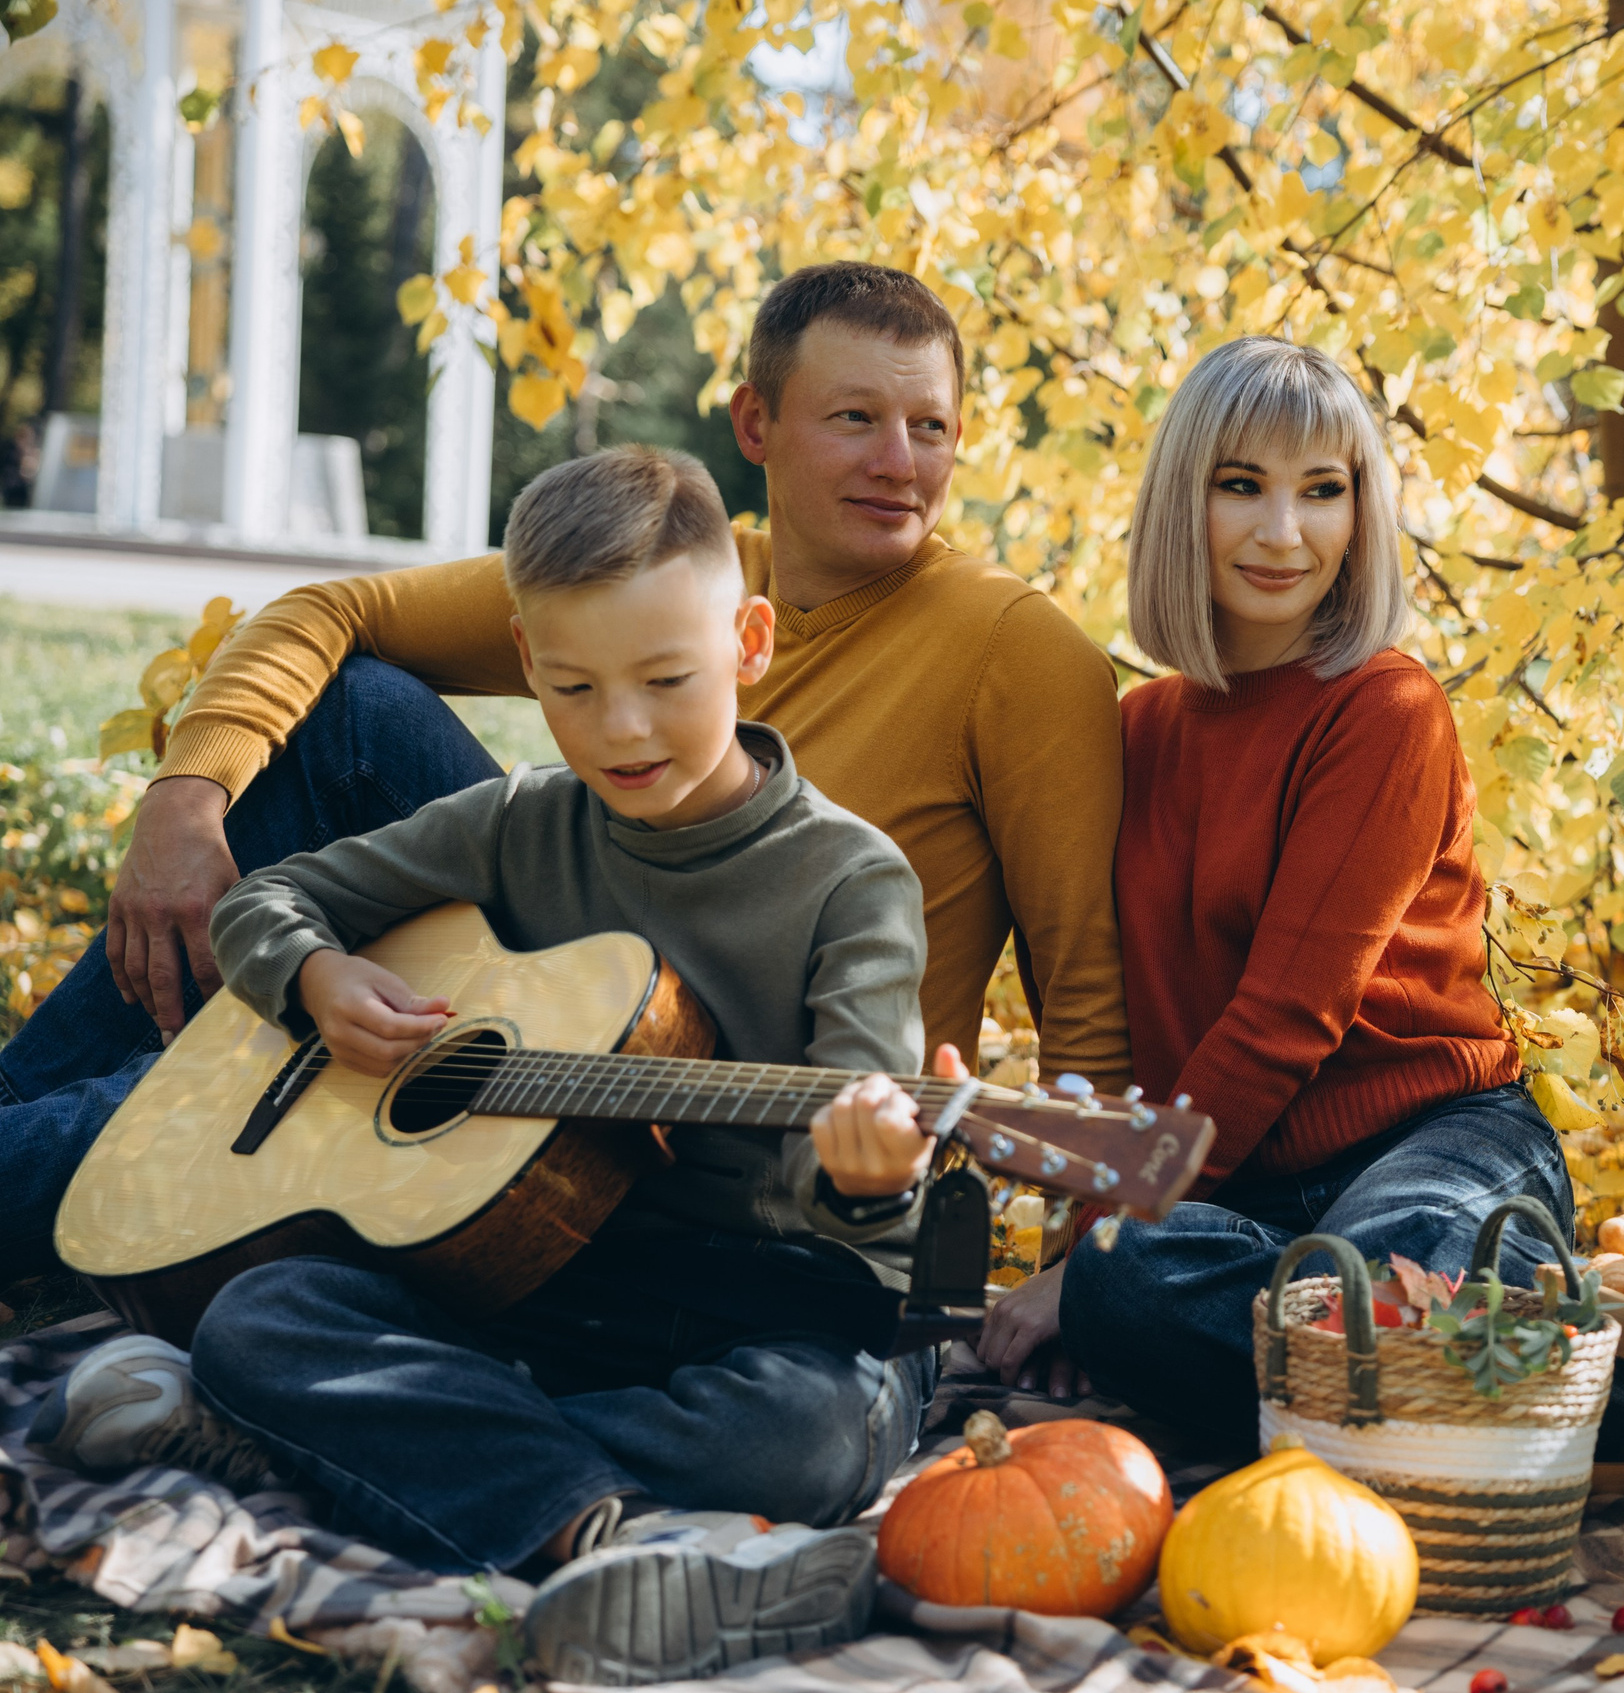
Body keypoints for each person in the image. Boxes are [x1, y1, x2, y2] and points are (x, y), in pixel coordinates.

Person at [0, 262, 1127, 1286]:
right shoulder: (662, 581)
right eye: (855, 418)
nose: (899, 462)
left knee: (204, 1123)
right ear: (756, 422)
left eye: (931, 427)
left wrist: (1074, 1281)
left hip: (754, 1139)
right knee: (356, 713)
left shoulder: (1015, 649)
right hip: (535, 994)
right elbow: (329, 608)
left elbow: (1083, 994)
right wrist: (184, 804)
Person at [35, 446, 964, 1683]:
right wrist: (317, 979)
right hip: (545, 1281)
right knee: (265, 1313)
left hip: (767, 1299)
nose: (621, 728)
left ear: (748, 642)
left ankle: (369, 1445)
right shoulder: (523, 820)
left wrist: (870, 1173)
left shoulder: (850, 883)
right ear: (527, 663)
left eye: (666, 680)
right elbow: (268, 901)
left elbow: (869, 1223)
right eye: (575, 687)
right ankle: (607, 1526)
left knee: (806, 1439)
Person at [975, 338, 1571, 1450]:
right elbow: (1103, 1010)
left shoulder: (1385, 710)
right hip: (1234, 1189)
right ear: (1182, 501)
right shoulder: (1132, 734)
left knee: (1382, 1293)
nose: (1284, 532)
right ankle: (1442, 1387)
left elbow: (1286, 1015)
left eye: (1322, 491)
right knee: (1130, 1282)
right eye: (1241, 485)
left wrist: (1096, 1262)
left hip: (1430, 1147)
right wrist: (1088, 1267)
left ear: (1359, 514)